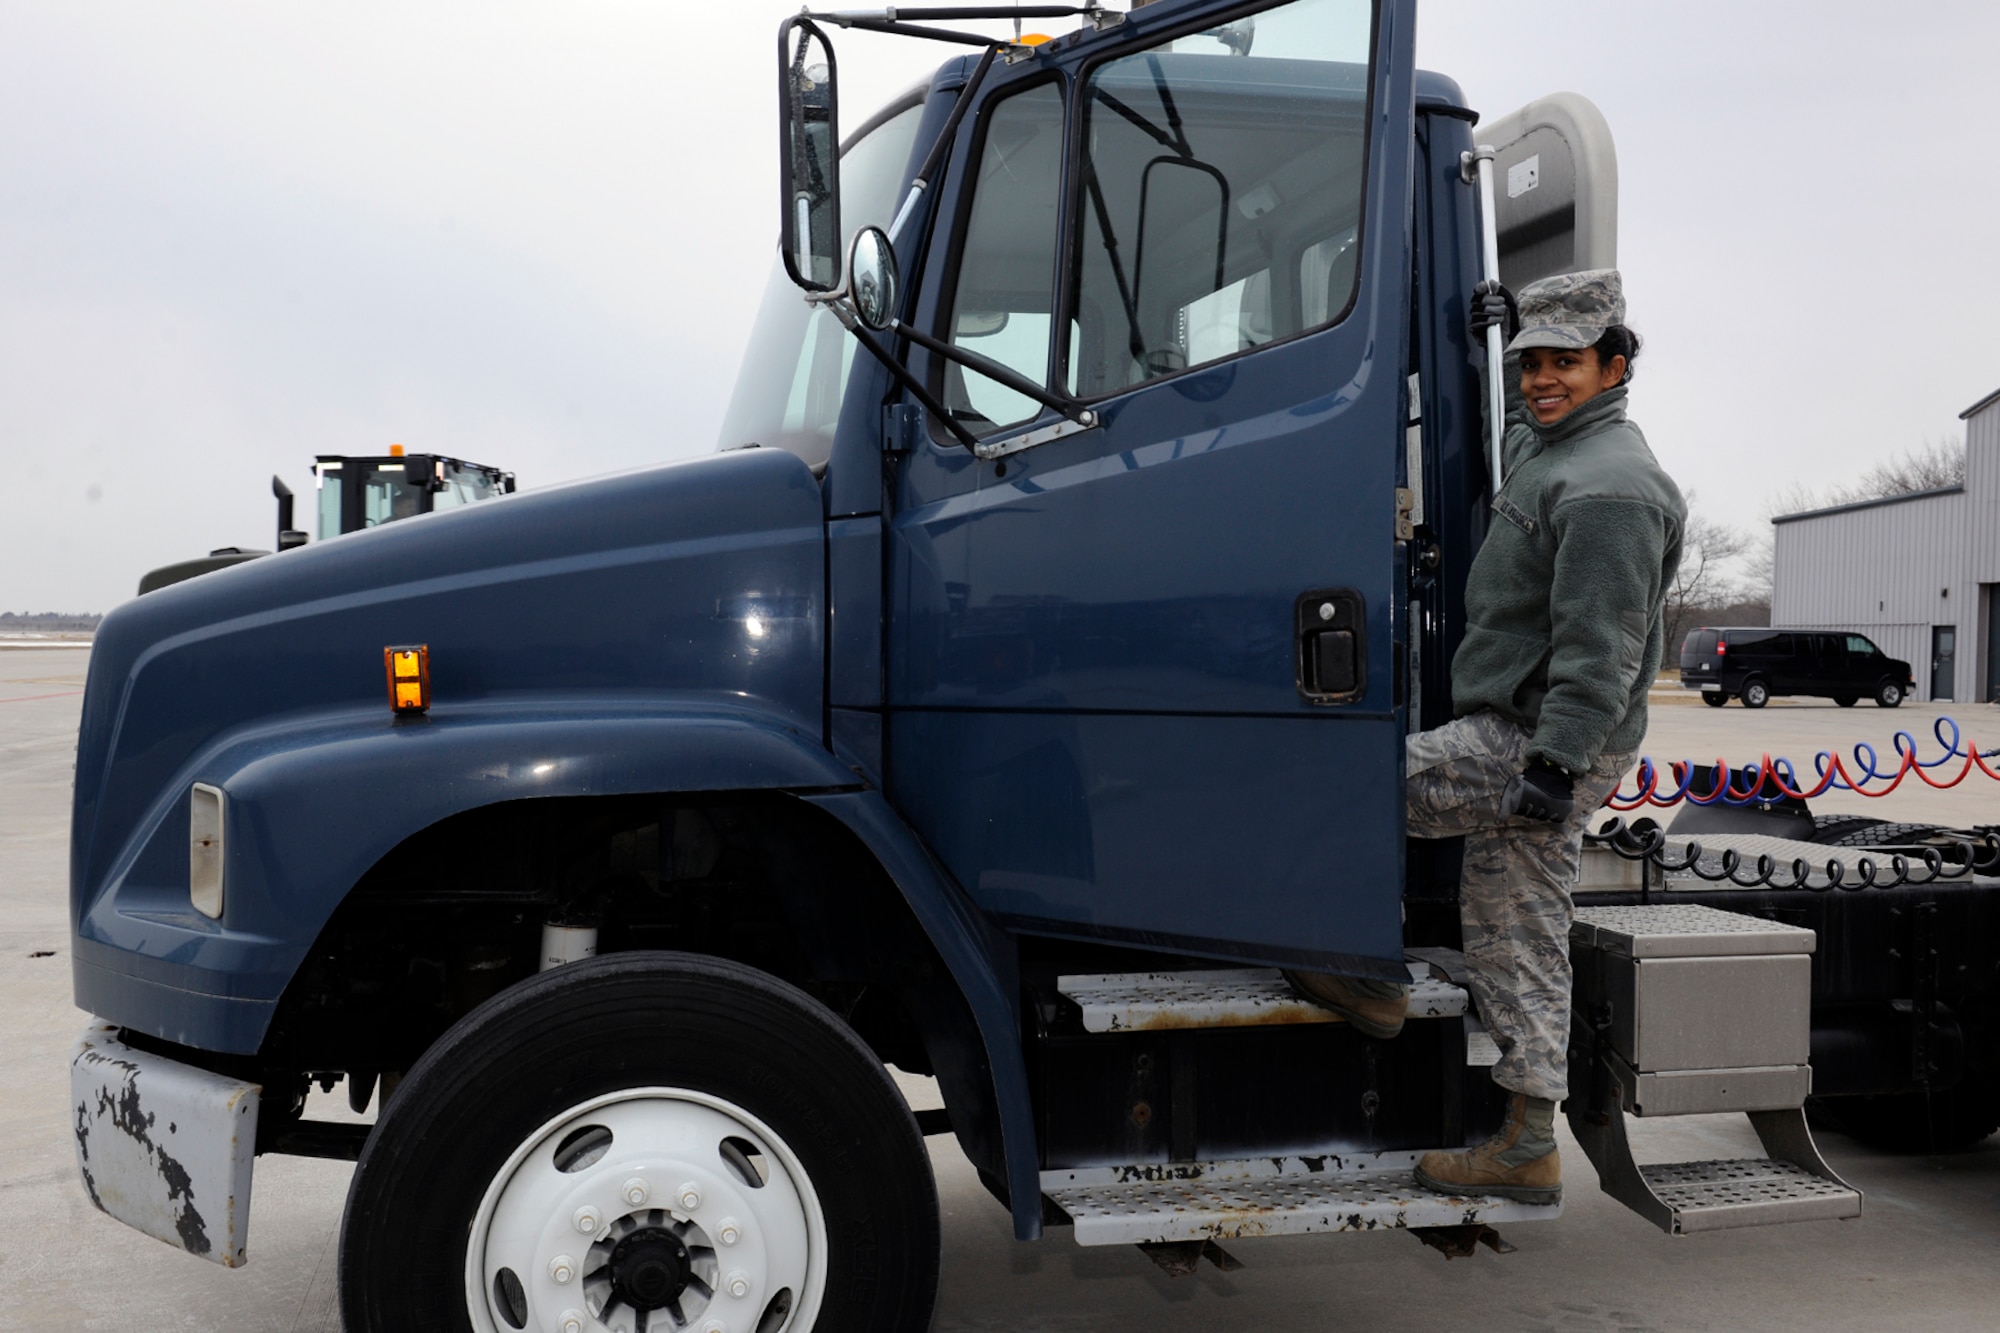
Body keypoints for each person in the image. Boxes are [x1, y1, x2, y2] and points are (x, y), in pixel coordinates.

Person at [1285, 268, 1686, 1204]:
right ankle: (1527, 1143)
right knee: (1520, 931)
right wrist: (1491, 360)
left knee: (1340, 788)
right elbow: (1520, 441)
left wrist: (1553, 764)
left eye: (1568, 364)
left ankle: (1363, 978)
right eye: (1533, 363)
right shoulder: (1557, 452)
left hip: (1536, 740)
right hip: (1534, 734)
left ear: (1617, 365)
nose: (1546, 380)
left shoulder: (1612, 491)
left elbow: (1604, 650)